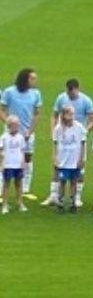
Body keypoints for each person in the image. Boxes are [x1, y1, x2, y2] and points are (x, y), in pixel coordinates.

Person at [44, 80, 93, 209]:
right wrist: (53, 131)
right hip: (63, 140)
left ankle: (77, 197)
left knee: (79, 170)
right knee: (57, 169)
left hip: (77, 142)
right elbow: (54, 116)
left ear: (77, 89)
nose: (70, 94)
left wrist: (84, 132)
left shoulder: (86, 101)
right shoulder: (61, 98)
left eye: (72, 92)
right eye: (68, 91)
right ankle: (54, 196)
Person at [1, 68, 42, 200]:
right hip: (10, 133)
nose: (35, 81)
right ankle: (2, 190)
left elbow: (37, 113)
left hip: (27, 133)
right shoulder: (9, 92)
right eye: (32, 78)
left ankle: (25, 189)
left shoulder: (35, 94)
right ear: (25, 79)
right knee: (4, 159)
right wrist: (9, 124)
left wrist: (30, 131)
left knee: (27, 158)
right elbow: (1, 110)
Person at [1, 115, 26, 213]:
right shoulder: (4, 137)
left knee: (19, 184)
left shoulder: (20, 137)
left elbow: (22, 151)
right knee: (6, 184)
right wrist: (2, 164)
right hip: (8, 164)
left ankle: (20, 203)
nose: (16, 127)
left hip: (18, 165)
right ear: (9, 126)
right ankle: (5, 204)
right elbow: (1, 151)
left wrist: (23, 163)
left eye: (17, 125)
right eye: (14, 125)